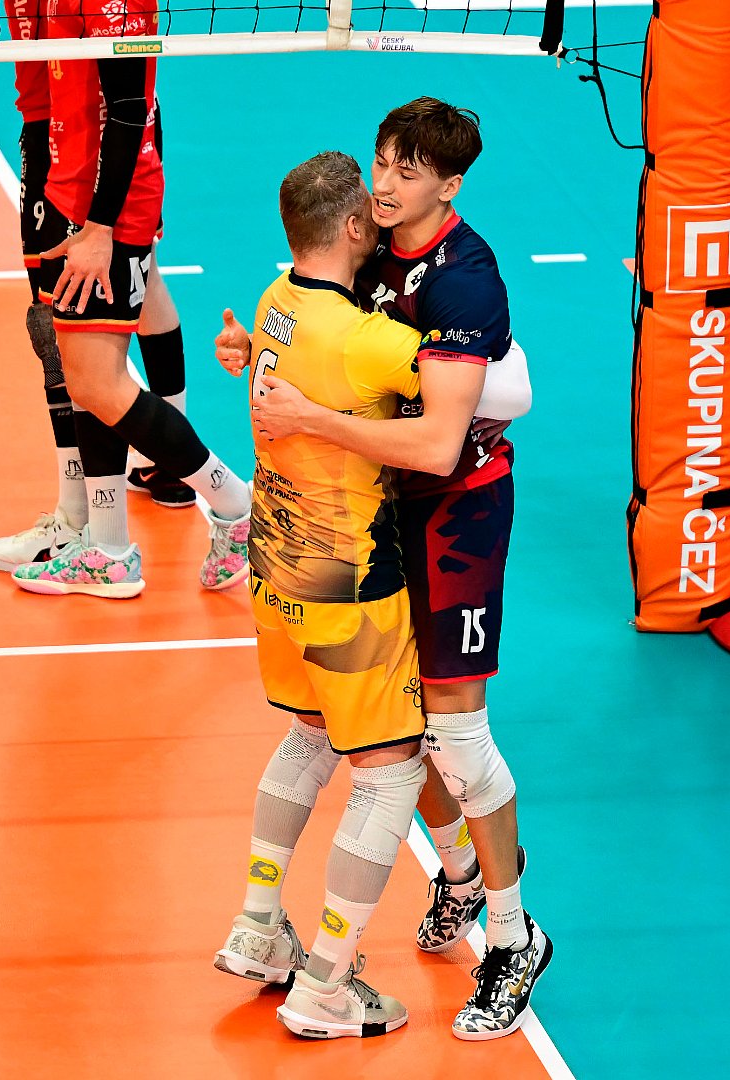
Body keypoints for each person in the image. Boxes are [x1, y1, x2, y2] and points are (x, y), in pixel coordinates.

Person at [216, 98, 549, 1042]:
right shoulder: (366, 256)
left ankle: (514, 937)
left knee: (456, 737)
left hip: (457, 516)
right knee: (397, 729)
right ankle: (458, 878)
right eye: (383, 163)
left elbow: (441, 443)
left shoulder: (466, 280)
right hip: (378, 517)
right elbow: (320, 328)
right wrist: (258, 352)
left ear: (450, 184)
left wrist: (311, 417)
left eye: (409, 171)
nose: (387, 184)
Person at [213, 150, 461, 1039]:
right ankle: (326, 980)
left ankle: (257, 927)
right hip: (349, 585)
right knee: (390, 776)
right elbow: (479, 385)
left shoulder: (275, 301)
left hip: (275, 572)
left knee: (307, 738)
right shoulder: (368, 341)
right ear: (355, 227)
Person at [8, 0, 254, 598]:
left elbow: (127, 108)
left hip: (107, 209)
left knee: (101, 383)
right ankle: (109, 550)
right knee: (85, 376)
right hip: (70, 190)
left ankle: (235, 505)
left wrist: (100, 228)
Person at [0, 0, 195, 582]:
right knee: (66, 322)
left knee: (100, 316)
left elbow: (129, 91)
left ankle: (181, 482)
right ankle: (86, 511)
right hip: (47, 129)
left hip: (110, 131)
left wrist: (102, 223)